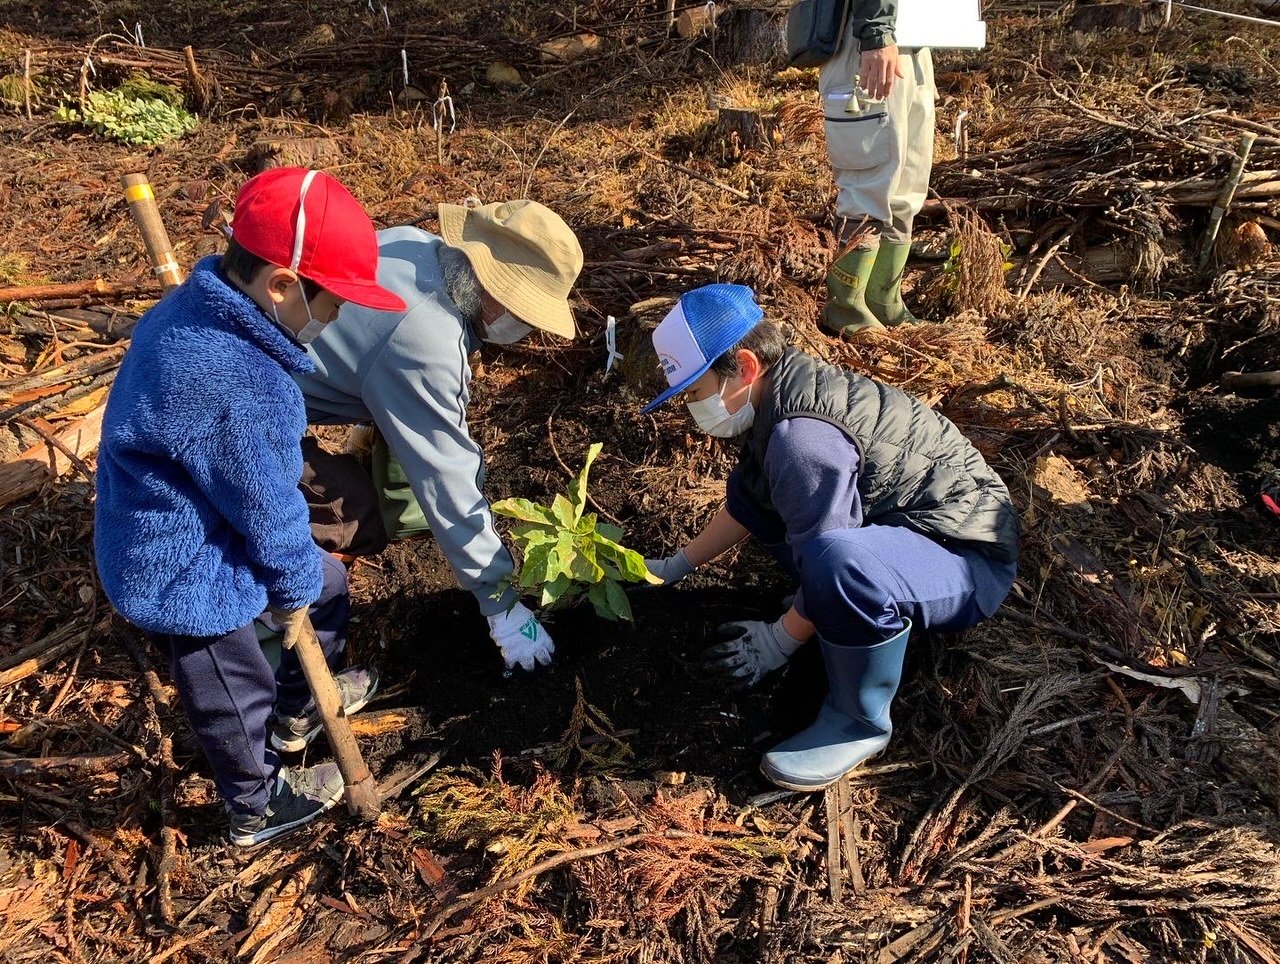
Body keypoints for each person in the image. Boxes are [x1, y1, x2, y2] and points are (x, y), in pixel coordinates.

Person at [95, 168, 406, 846]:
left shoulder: (202, 305)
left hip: (207, 510)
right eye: (332, 305)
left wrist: (302, 578)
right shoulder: (241, 387)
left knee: (328, 586)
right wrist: (289, 579)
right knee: (233, 694)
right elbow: (267, 513)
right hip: (176, 559)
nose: (336, 319)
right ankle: (255, 804)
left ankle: (300, 714)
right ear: (282, 286)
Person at [643, 284, 1018, 791]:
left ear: (746, 366)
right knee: (800, 529)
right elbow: (749, 505)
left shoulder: (801, 438)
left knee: (839, 565)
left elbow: (830, 560)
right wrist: (674, 567)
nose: (692, 407)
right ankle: (843, 619)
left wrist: (779, 639)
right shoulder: (778, 399)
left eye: (694, 392)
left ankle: (858, 721)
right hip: (904, 533)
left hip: (964, 555)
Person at [294, 199, 584, 674]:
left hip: (244, 373)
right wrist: (502, 605)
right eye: (525, 314)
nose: (527, 329)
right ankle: (282, 627)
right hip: (229, 415)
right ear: (493, 290)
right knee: (359, 514)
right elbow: (447, 479)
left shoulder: (412, 244)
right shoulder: (426, 344)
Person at [819, 1, 936, 335]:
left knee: (906, 187)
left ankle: (883, 299)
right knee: (867, 181)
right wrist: (876, 33)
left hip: (914, 42)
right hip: (867, 37)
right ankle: (846, 307)